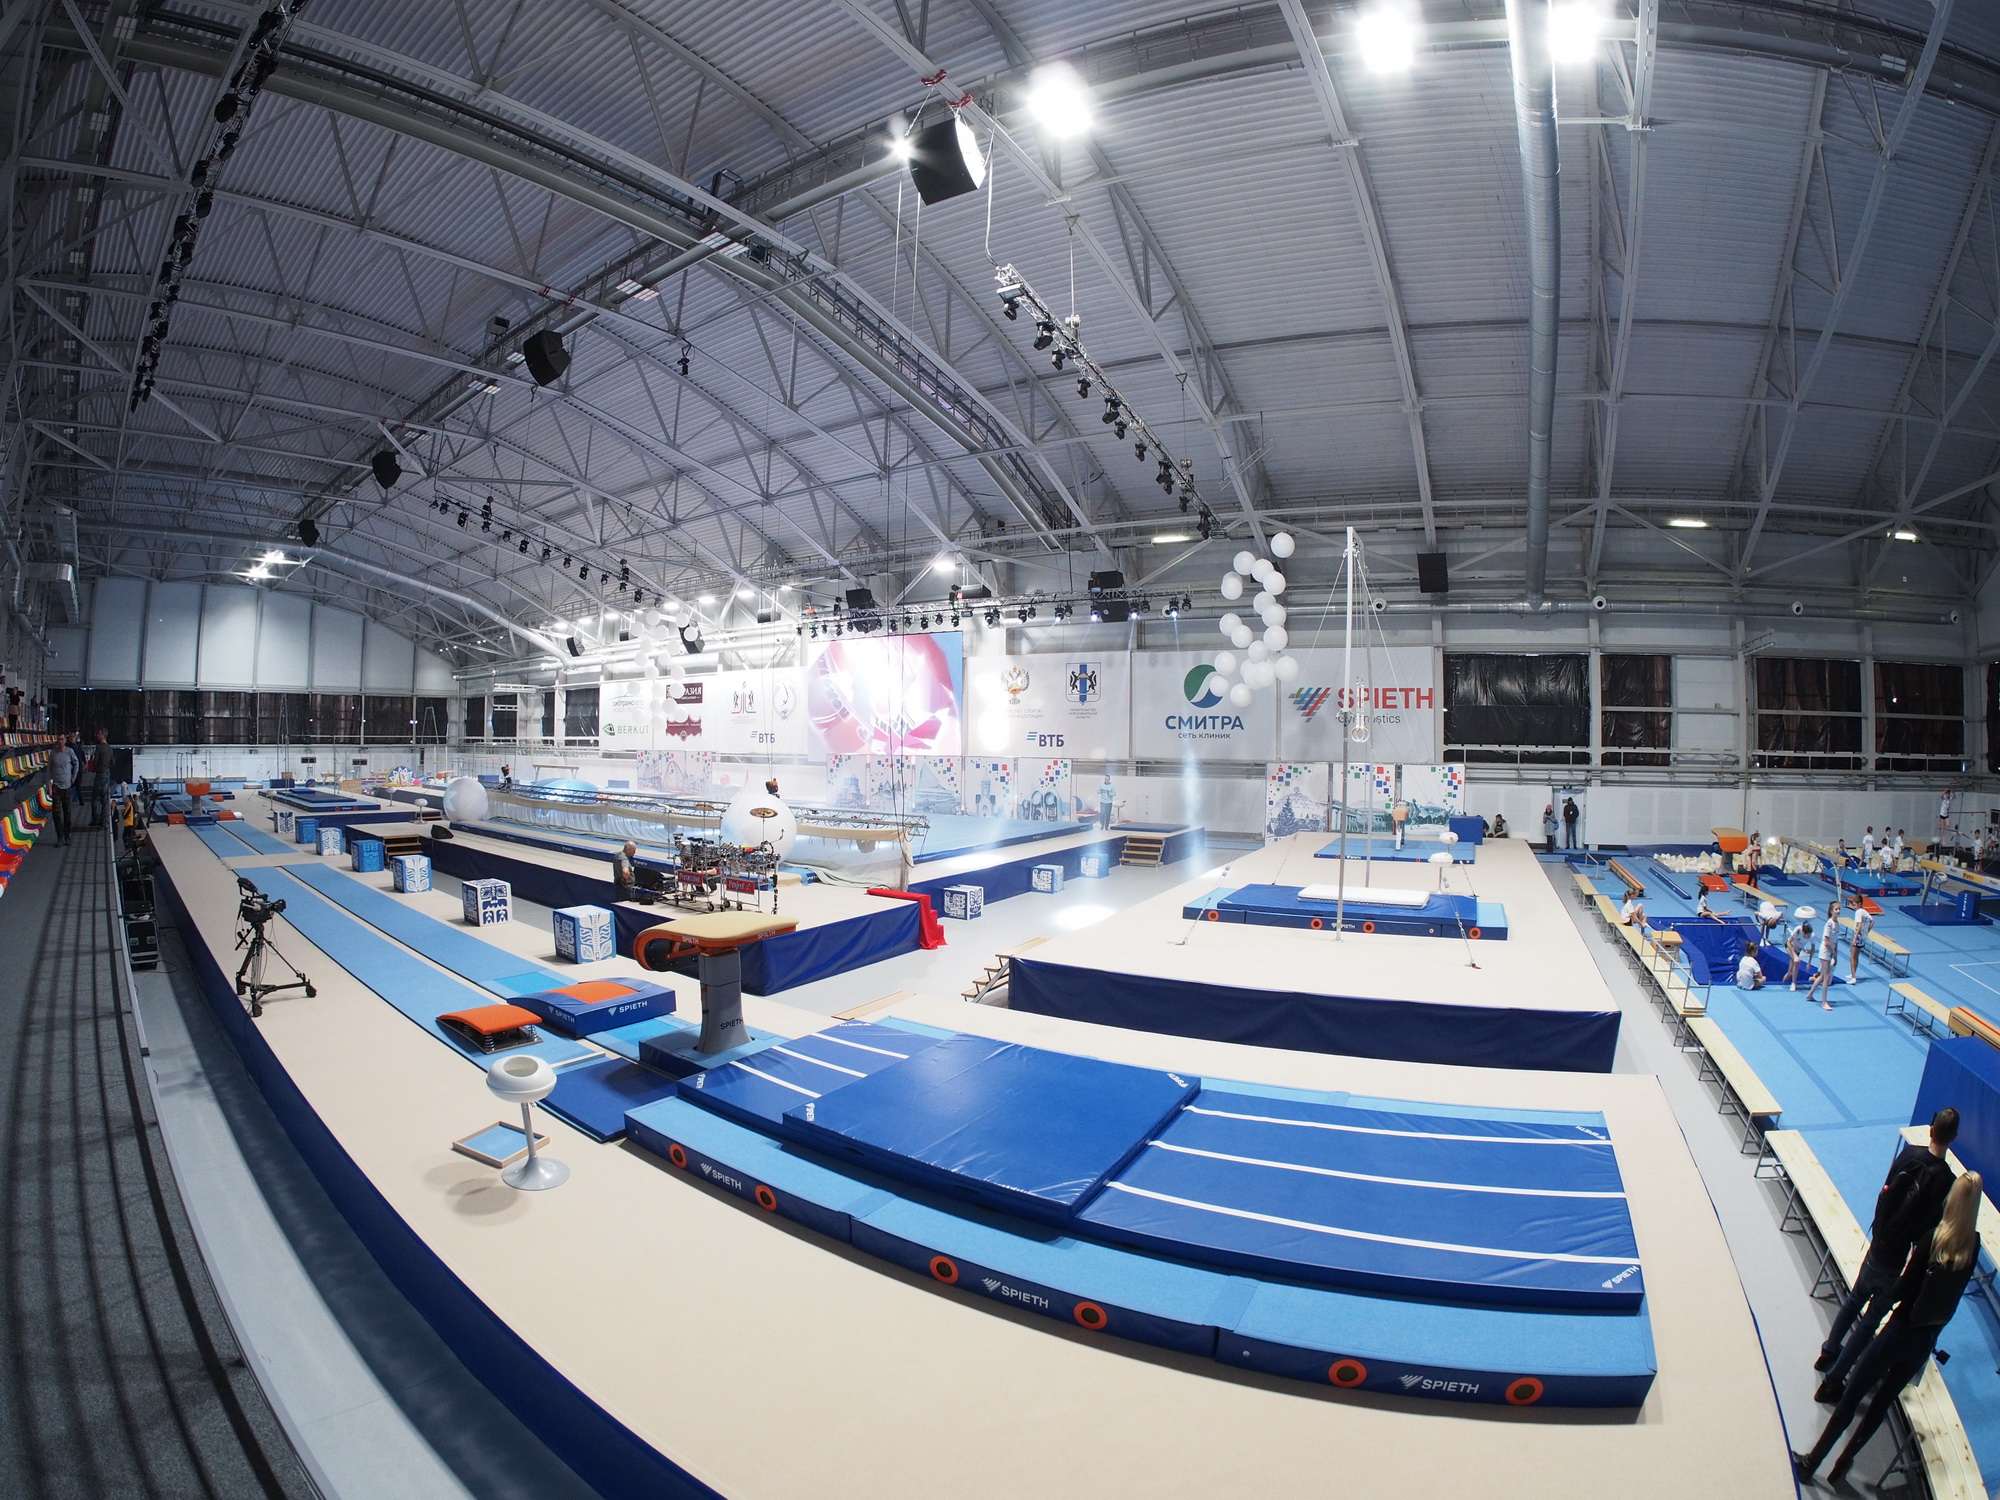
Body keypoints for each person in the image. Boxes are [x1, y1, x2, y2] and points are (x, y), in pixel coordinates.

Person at [1796, 1170, 1983, 1486]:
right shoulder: (1973, 1244)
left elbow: (1903, 1289)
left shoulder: (1932, 1240)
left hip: (1899, 1332)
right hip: (1925, 1341)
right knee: (1881, 1404)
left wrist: (1886, 1289)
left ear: (1952, 1201)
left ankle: (1812, 1462)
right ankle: (1843, 1463)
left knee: (1852, 1395)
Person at [1814, 1108, 1960, 1396]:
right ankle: (1832, 1382)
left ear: (1930, 1130)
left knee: (1853, 1300)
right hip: (1897, 1260)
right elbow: (1929, 1229)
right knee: (1869, 1323)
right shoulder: (1946, 1179)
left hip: (1878, 1245)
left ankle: (1828, 1352)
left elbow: (1887, 1192)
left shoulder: (1909, 1154)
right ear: (1954, 1138)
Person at [48, 736, 77, 846]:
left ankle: (67, 836)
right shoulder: (53, 753)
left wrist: (73, 777)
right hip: (56, 786)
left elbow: (76, 763)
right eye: (58, 739)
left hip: (67, 786)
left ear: (65, 740)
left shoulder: (70, 752)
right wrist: (48, 785)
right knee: (56, 813)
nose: (60, 741)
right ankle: (60, 836)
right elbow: (49, 769)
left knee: (67, 813)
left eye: (62, 739)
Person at [1809, 919, 1839, 1011]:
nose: (1838, 912)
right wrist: (1834, 953)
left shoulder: (1837, 924)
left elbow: (1835, 942)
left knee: (1822, 976)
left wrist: (1835, 955)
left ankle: (1810, 994)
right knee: (1827, 976)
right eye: (1836, 911)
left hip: (1830, 952)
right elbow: (1826, 943)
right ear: (1831, 912)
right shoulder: (1829, 924)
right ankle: (1824, 1002)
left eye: (1838, 911)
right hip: (1825, 952)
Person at [86, 729, 113, 830]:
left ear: (102, 735)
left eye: (98, 733)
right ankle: (104, 822)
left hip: (99, 774)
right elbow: (113, 762)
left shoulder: (99, 747)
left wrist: (95, 768)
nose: (97, 735)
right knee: (105, 800)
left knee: (94, 798)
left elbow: (95, 761)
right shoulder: (109, 748)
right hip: (107, 774)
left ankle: (95, 819)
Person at [1847, 898, 1875, 986]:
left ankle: (1853, 977)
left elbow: (1859, 925)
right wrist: (1866, 931)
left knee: (1852, 956)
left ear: (1859, 904)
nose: (1854, 907)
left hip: (1858, 936)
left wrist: (1855, 937)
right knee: (1856, 956)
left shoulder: (1858, 912)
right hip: (1863, 937)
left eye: (1854, 905)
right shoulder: (1864, 911)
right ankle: (1853, 973)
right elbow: (1872, 921)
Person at [1785, 917, 1810, 991]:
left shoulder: (1812, 935)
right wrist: (1795, 955)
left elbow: (1812, 949)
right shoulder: (1798, 930)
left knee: (1789, 973)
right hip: (1790, 947)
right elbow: (1788, 943)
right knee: (1797, 962)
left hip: (1798, 950)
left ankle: (1783, 982)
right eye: (1806, 935)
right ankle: (1793, 983)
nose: (1807, 937)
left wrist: (1809, 962)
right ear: (1803, 932)